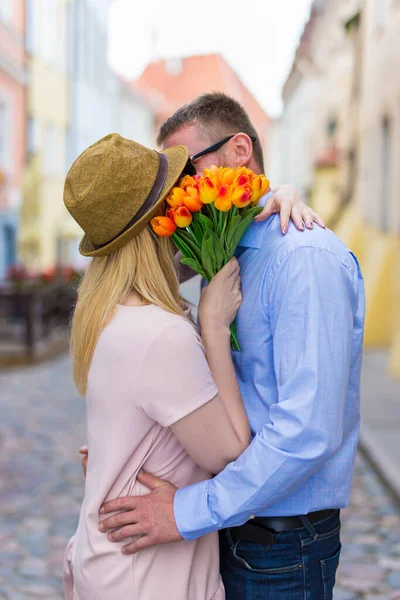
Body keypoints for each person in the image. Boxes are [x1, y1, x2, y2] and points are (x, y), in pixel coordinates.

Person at [97, 94, 366, 600]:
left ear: (239, 149)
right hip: (231, 528)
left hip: (280, 548)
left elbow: (306, 432)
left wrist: (187, 511)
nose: (177, 197)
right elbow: (132, 259)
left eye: (186, 174)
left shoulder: (303, 258)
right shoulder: (217, 249)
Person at [62, 133, 315, 600]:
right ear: (159, 228)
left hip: (110, 560)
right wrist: (215, 327)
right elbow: (229, 453)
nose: (190, 212)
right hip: (149, 576)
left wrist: (279, 194)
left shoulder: (106, 313)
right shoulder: (162, 334)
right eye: (176, 204)